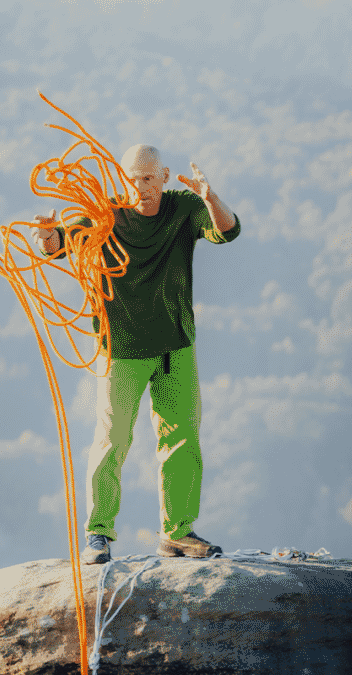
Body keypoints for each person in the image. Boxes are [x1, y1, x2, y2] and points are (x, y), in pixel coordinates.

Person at [31, 144, 241, 564]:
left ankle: (178, 533)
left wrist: (211, 197)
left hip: (175, 348)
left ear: (164, 176)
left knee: (183, 440)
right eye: (132, 177)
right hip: (121, 350)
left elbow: (229, 231)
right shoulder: (103, 216)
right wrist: (49, 237)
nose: (140, 187)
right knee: (112, 442)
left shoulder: (184, 208)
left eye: (148, 178)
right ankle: (98, 535)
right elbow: (57, 245)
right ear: (120, 177)